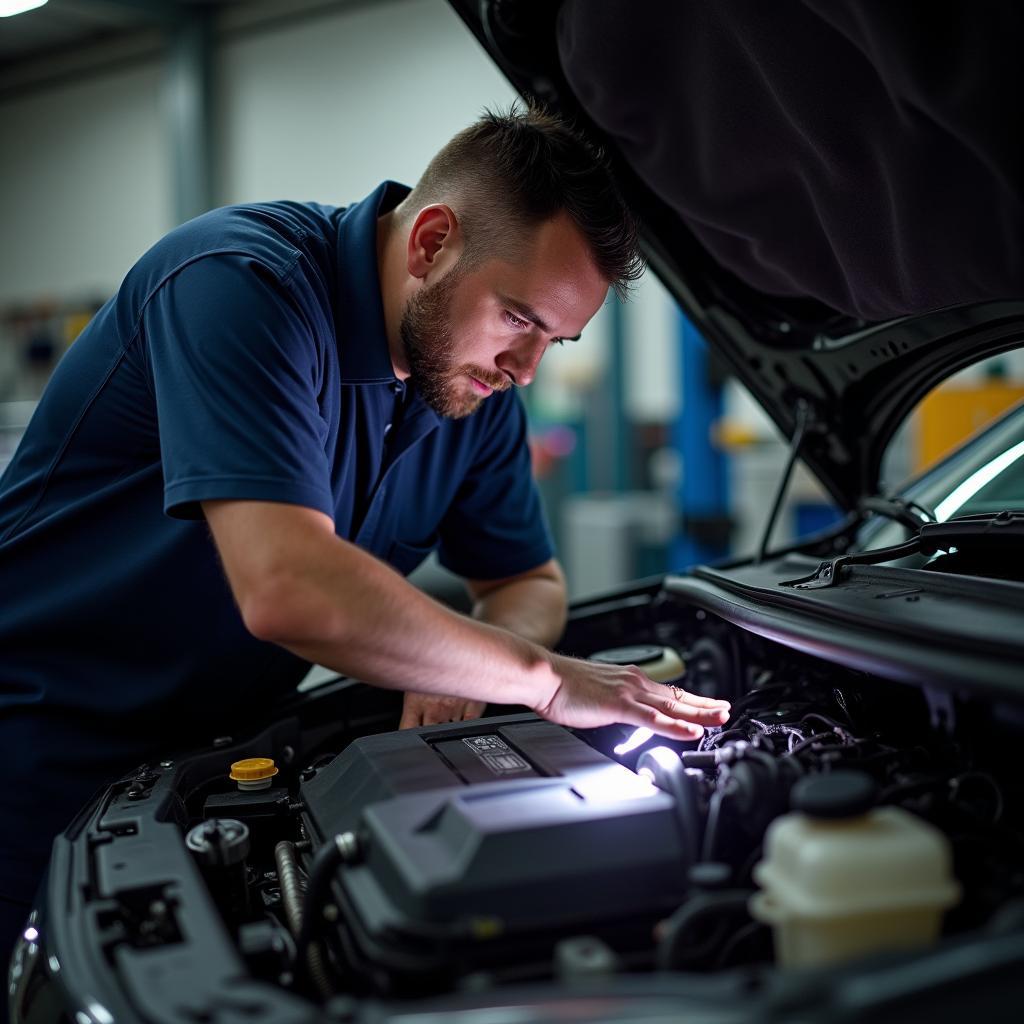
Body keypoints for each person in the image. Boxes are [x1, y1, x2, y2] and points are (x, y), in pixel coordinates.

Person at [0, 105, 729, 970]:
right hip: (35, 749)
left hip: (207, 766)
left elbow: (529, 583)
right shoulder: (239, 282)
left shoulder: (469, 396)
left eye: (555, 340)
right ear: (430, 243)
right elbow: (288, 587)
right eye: (520, 320)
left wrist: (474, 668)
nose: (527, 370)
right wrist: (543, 680)